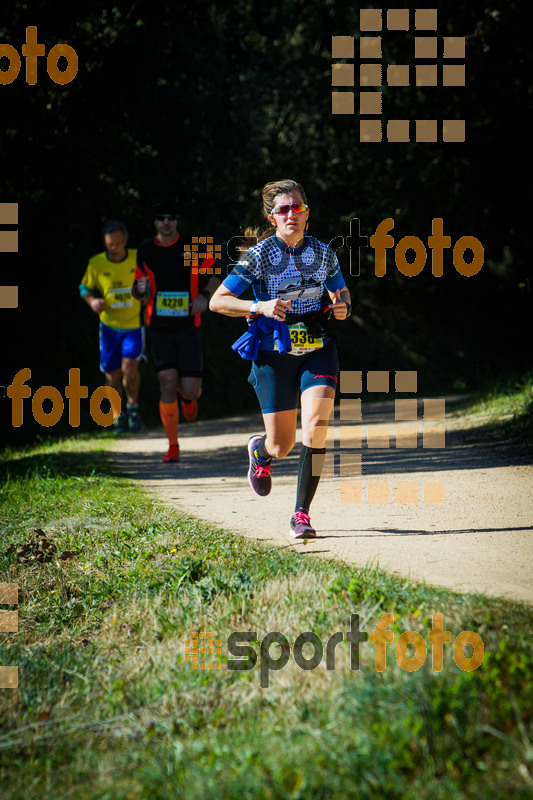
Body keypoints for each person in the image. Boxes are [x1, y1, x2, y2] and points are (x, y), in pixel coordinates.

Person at [210, 179, 351, 539]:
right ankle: (261, 453)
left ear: (307, 213)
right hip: (273, 355)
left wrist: (343, 307)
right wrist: (258, 305)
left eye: (297, 207)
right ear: (273, 218)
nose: (292, 214)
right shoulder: (258, 257)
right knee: (282, 446)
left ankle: (301, 514)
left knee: (317, 428)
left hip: (317, 348)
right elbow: (219, 301)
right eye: (284, 209)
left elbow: (342, 292)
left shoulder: (324, 253)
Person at [132, 197, 221, 462]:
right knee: (167, 382)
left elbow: (219, 271)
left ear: (176, 221)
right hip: (158, 327)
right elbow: (139, 286)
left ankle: (188, 399)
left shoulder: (192, 246)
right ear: (155, 222)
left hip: (188, 327)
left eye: (171, 217)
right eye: (161, 218)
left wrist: (205, 295)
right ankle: (173, 446)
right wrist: (138, 291)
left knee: (190, 390)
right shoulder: (145, 250)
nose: (166, 222)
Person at [79, 220, 144, 433]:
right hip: (108, 327)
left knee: (130, 368)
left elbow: (150, 282)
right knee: (112, 374)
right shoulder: (96, 263)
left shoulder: (137, 257)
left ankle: (133, 409)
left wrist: (147, 294)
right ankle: (118, 415)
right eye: (109, 245)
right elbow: (84, 287)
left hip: (133, 325)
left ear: (124, 241)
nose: (114, 249)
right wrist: (92, 301)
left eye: (117, 244)